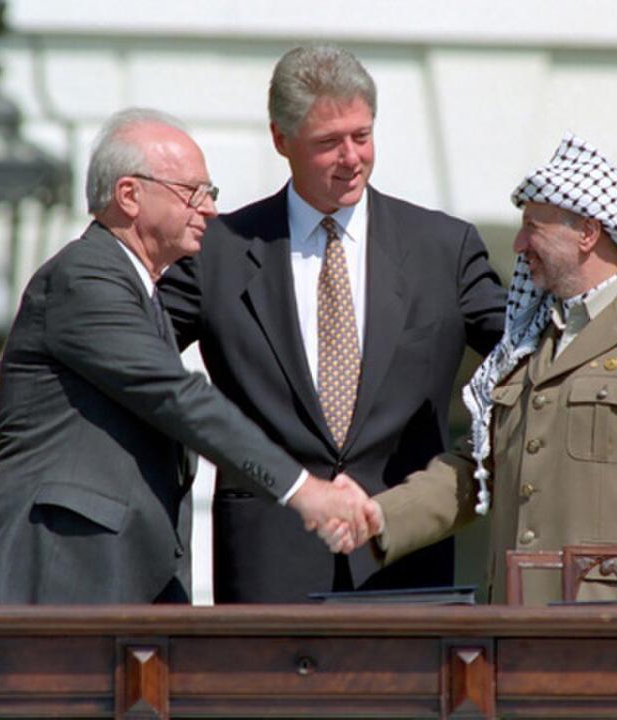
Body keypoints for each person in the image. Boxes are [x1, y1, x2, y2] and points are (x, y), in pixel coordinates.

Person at [158, 44, 506, 603]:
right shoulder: (219, 252)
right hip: (269, 558)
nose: (351, 158)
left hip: (403, 553)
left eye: (362, 136)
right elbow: (133, 356)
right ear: (281, 140)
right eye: (327, 143)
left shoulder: (445, 248)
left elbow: (527, 359)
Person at [0, 107, 370, 604]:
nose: (209, 209)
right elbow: (176, 396)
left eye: (209, 193)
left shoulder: (138, 289)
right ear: (129, 195)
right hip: (64, 568)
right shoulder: (84, 278)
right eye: (193, 193)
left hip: (124, 572)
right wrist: (305, 491)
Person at [325, 132, 617, 605]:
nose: (521, 243)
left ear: (588, 234)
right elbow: (474, 470)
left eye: (534, 226)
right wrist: (380, 517)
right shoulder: (526, 341)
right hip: (515, 625)